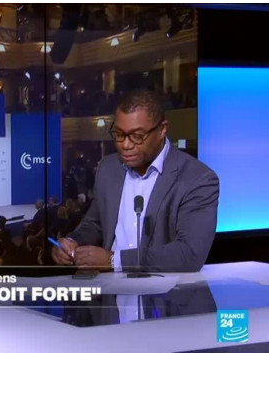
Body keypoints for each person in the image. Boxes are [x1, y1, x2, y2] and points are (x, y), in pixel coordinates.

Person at [52, 90, 219, 273]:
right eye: (119, 134)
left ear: (162, 129)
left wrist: (114, 261)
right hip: (109, 288)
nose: (125, 145)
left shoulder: (197, 179)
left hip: (164, 289)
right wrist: (72, 241)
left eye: (137, 136)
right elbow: (95, 223)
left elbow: (189, 255)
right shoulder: (108, 168)